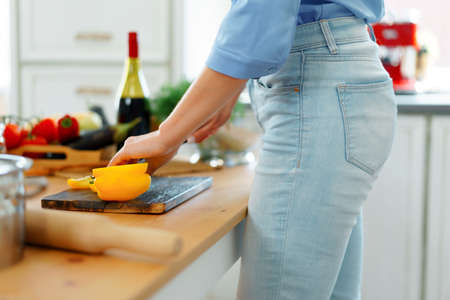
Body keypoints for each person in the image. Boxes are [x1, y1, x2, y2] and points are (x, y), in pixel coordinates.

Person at [109, 0, 397, 299]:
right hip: (339, 77)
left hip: (318, 89)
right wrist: (226, 94)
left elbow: (260, 15)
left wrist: (167, 136)